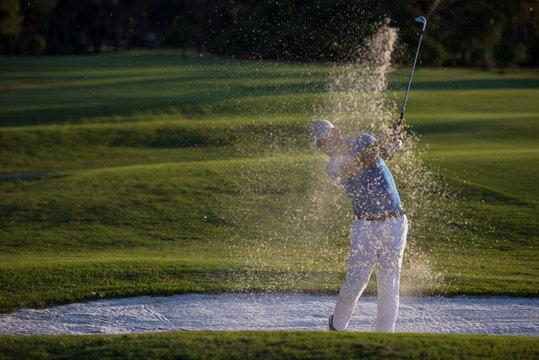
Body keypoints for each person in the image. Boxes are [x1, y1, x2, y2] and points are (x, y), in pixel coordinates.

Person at [309, 119, 408, 332]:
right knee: (354, 285)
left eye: (325, 141)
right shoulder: (333, 167)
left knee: (389, 287)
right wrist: (385, 138)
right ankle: (336, 328)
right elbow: (361, 162)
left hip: (396, 222)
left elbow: (386, 153)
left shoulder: (364, 139)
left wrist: (396, 137)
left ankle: (384, 340)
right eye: (319, 145)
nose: (324, 147)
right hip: (365, 227)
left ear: (336, 132)